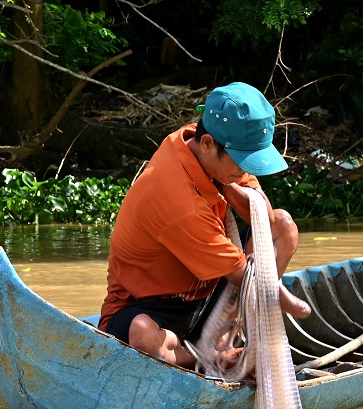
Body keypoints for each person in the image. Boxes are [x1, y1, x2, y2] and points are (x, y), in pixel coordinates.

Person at [98, 82, 311, 367]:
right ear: (208, 144)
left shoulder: (205, 148)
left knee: (284, 227)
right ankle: (212, 356)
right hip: (150, 306)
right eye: (241, 162)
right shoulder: (176, 199)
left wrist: (227, 185)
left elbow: (266, 219)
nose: (245, 172)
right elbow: (244, 278)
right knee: (142, 335)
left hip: (202, 297)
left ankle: (225, 337)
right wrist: (285, 299)